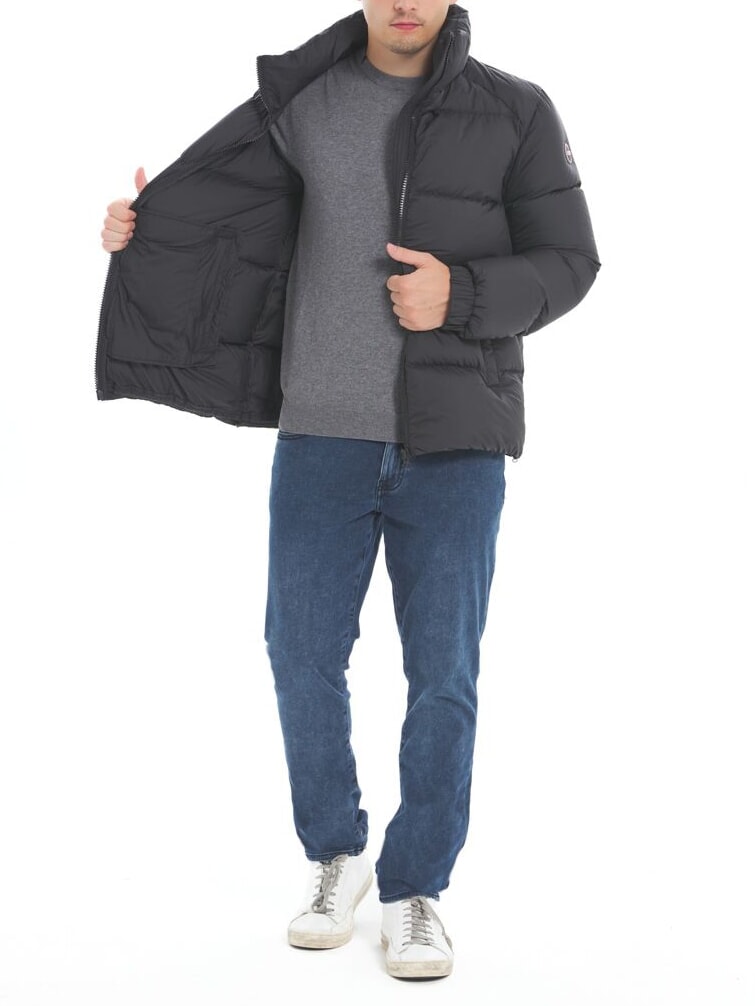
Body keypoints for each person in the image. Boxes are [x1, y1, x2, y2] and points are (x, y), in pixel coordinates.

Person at [98, 0, 600, 981]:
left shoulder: (516, 111)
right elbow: (228, 221)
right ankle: (335, 854)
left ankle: (415, 889)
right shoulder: (301, 99)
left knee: (442, 670)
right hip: (318, 434)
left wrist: (460, 294)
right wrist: (144, 231)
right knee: (299, 651)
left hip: (453, 441)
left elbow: (569, 261)